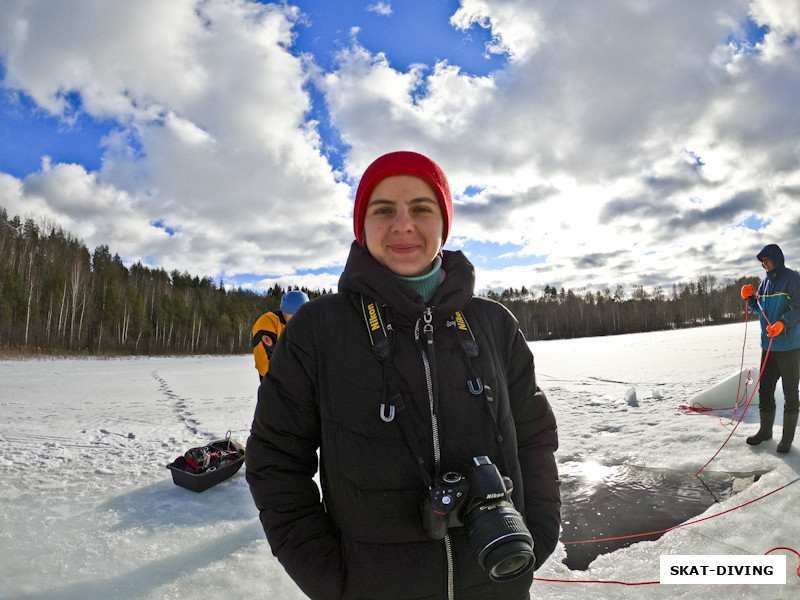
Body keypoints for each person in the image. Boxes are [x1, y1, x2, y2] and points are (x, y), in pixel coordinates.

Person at [246, 151, 560, 600]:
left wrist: (539, 530)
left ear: (443, 222)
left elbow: (534, 436)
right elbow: (275, 461)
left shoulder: (494, 324)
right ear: (362, 226)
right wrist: (331, 578)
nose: (403, 224)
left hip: (498, 579)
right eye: (383, 210)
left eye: (421, 208)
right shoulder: (316, 331)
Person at [741, 244, 800, 453]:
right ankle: (765, 431)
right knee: (765, 390)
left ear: (776, 259)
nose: (763, 264)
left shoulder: (792, 279)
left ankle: (786, 439)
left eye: (766, 260)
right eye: (762, 261)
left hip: (790, 347)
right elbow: (760, 308)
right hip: (769, 347)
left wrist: (783, 322)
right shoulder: (764, 283)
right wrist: (749, 298)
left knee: (790, 392)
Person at [251, 290, 309, 382]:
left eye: (303, 315)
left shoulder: (306, 326)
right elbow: (265, 363)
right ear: (286, 311)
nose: (299, 319)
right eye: (295, 314)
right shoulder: (267, 322)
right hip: (276, 387)